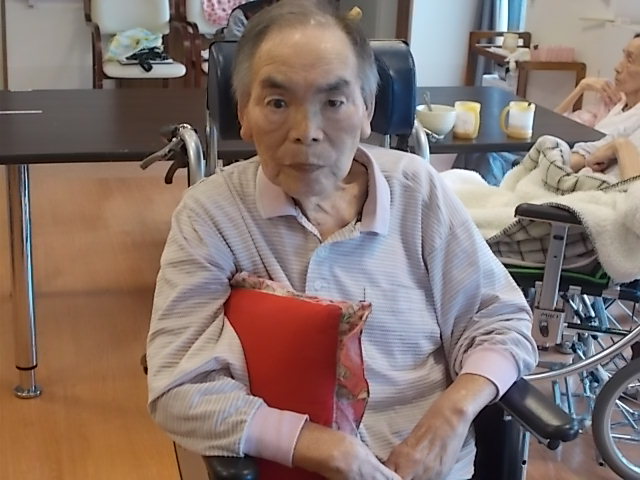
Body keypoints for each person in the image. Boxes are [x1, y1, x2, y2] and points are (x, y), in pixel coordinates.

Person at [146, 2, 537, 479]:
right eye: (277, 103)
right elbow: (178, 385)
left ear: (367, 111)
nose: (306, 132)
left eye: (333, 103)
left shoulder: (416, 190)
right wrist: (326, 450)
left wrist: (450, 417)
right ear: (243, 113)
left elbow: (500, 319)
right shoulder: (213, 214)